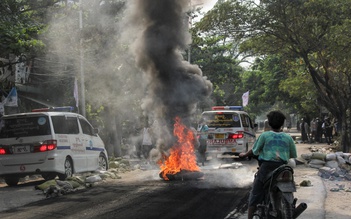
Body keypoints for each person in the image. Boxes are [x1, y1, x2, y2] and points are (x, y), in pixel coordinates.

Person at [239, 110, 297, 219]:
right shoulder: (288, 137)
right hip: (283, 167)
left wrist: (244, 154)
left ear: (269, 123)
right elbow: (293, 154)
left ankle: (250, 217)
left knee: (255, 194)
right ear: (282, 123)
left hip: (266, 167)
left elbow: (254, 151)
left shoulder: (265, 135)